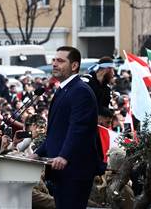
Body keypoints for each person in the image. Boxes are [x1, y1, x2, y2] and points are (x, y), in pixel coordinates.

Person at [31, 46, 101, 209]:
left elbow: (79, 128)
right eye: (54, 60)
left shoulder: (80, 91)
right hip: (60, 169)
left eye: (60, 61)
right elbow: (56, 132)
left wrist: (64, 156)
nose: (54, 64)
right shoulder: (64, 90)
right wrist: (38, 153)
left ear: (74, 65)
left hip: (74, 169)